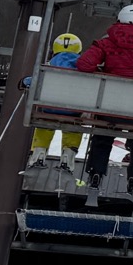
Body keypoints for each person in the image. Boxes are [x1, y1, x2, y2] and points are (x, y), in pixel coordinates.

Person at [76, 5, 133, 198]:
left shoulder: (106, 42)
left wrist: (102, 72)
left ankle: (96, 175)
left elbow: (84, 64)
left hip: (110, 106)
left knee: (102, 135)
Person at [27, 33, 83, 167]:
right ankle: (68, 156)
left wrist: (24, 81)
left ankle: (39, 152)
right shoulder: (82, 65)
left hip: (49, 108)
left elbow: (35, 79)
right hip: (73, 110)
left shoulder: (49, 64)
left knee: (45, 122)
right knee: (74, 126)